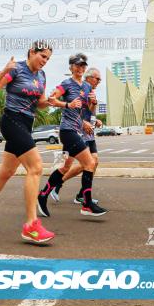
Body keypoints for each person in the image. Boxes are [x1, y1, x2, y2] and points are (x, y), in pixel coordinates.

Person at [0, 41, 55, 244]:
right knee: (36, 167)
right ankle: (31, 225)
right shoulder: (17, 70)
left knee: (6, 172)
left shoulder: (41, 76)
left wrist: (50, 100)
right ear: (32, 52)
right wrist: (5, 70)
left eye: (48, 59)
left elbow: (40, 103)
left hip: (26, 124)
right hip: (11, 120)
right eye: (43, 57)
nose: (45, 61)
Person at [37, 53, 107, 217]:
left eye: (83, 65)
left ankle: (43, 194)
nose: (80, 68)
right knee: (90, 163)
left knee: (65, 167)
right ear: (71, 67)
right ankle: (87, 204)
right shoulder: (66, 84)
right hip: (68, 131)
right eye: (77, 65)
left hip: (79, 131)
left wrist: (93, 104)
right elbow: (51, 99)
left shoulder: (87, 87)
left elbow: (88, 112)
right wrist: (68, 104)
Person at [51, 67, 103, 205]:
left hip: (87, 133)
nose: (99, 81)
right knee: (67, 165)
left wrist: (94, 119)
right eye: (97, 79)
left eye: (100, 79)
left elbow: (90, 112)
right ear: (89, 78)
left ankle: (82, 195)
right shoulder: (77, 90)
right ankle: (55, 185)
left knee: (94, 161)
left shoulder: (91, 92)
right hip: (74, 132)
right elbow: (72, 112)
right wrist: (83, 122)